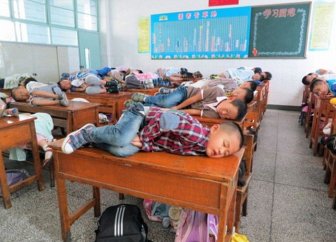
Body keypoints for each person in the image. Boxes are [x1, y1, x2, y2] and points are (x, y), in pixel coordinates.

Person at [52, 103, 244, 159]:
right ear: (215, 128)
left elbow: (166, 145)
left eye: (226, 153)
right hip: (142, 115)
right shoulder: (197, 132)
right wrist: (143, 139)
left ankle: (92, 139)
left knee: (122, 150)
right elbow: (165, 120)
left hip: (148, 134)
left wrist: (146, 144)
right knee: (123, 137)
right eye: (224, 145)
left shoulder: (202, 148)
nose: (222, 151)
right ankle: (86, 133)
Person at [130, 86, 248, 120]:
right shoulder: (218, 91)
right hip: (186, 93)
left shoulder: (215, 114)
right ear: (230, 99)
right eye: (227, 110)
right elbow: (195, 98)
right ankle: (147, 98)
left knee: (164, 110)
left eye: (227, 117)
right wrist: (177, 107)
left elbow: (194, 111)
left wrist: (175, 111)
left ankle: (138, 106)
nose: (223, 114)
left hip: (186, 106)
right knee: (166, 102)